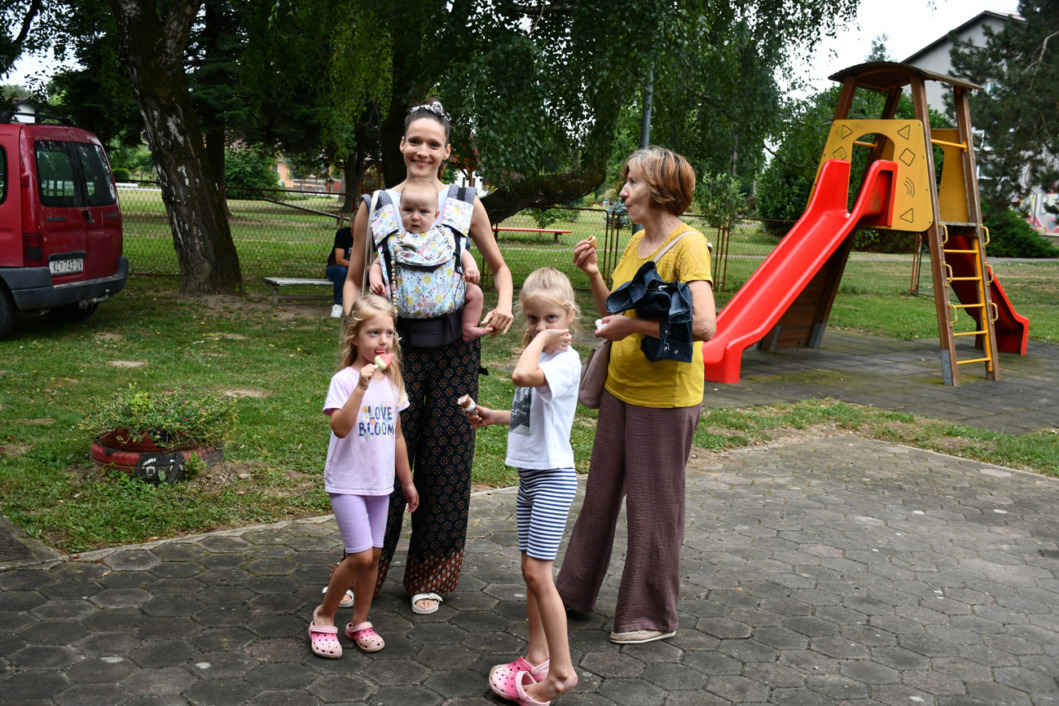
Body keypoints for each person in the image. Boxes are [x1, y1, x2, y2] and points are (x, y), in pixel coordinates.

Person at [342, 99, 514, 615]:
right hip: (393, 353)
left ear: (446, 151)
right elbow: (353, 279)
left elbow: (499, 268)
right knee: (383, 458)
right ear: (401, 144)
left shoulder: (464, 202)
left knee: (447, 461)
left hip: (455, 353)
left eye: (433, 144)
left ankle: (430, 575)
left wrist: (504, 303)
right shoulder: (376, 205)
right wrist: (356, 334)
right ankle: (364, 567)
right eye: (414, 141)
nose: (423, 151)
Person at [555, 146, 717, 645]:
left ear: (661, 190)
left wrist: (633, 326)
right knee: (600, 498)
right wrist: (592, 274)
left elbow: (705, 325)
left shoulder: (689, 245)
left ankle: (651, 616)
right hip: (620, 390)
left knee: (653, 508)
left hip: (665, 400)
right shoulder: (635, 242)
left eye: (633, 183)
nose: (623, 192)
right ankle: (572, 594)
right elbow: (614, 315)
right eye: (624, 182)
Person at [464, 268, 582, 705]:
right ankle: (537, 656)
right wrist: (493, 416)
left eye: (550, 318)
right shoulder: (543, 360)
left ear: (568, 318)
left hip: (553, 478)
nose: (539, 326)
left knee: (538, 573)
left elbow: (520, 376)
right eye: (532, 319)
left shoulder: (564, 361)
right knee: (529, 572)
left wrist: (540, 340)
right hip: (531, 478)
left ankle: (562, 673)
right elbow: (531, 413)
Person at [309, 294, 419, 659]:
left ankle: (359, 622)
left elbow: (398, 437)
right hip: (347, 483)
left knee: (373, 556)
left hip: (379, 485)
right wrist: (360, 386)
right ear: (355, 337)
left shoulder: (392, 382)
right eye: (374, 333)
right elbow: (340, 428)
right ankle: (324, 616)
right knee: (358, 556)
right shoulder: (344, 381)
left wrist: (407, 482)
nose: (383, 340)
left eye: (389, 332)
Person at [367, 179, 491, 342]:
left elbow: (462, 254)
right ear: (399, 211)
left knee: (475, 292)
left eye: (424, 211)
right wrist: (375, 281)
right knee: (378, 300)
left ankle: (468, 327)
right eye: (408, 210)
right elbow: (378, 264)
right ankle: (387, 330)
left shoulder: (444, 237)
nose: (415, 217)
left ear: (436, 215)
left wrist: (471, 268)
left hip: (447, 296)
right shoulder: (396, 241)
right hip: (402, 302)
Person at [326, 225, 353, 318]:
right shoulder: (343, 234)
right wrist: (359, 266)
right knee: (341, 271)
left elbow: (372, 259)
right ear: (351, 224)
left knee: (376, 271)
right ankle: (338, 304)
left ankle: (377, 304)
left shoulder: (367, 235)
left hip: (356, 270)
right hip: (336, 269)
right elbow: (339, 260)